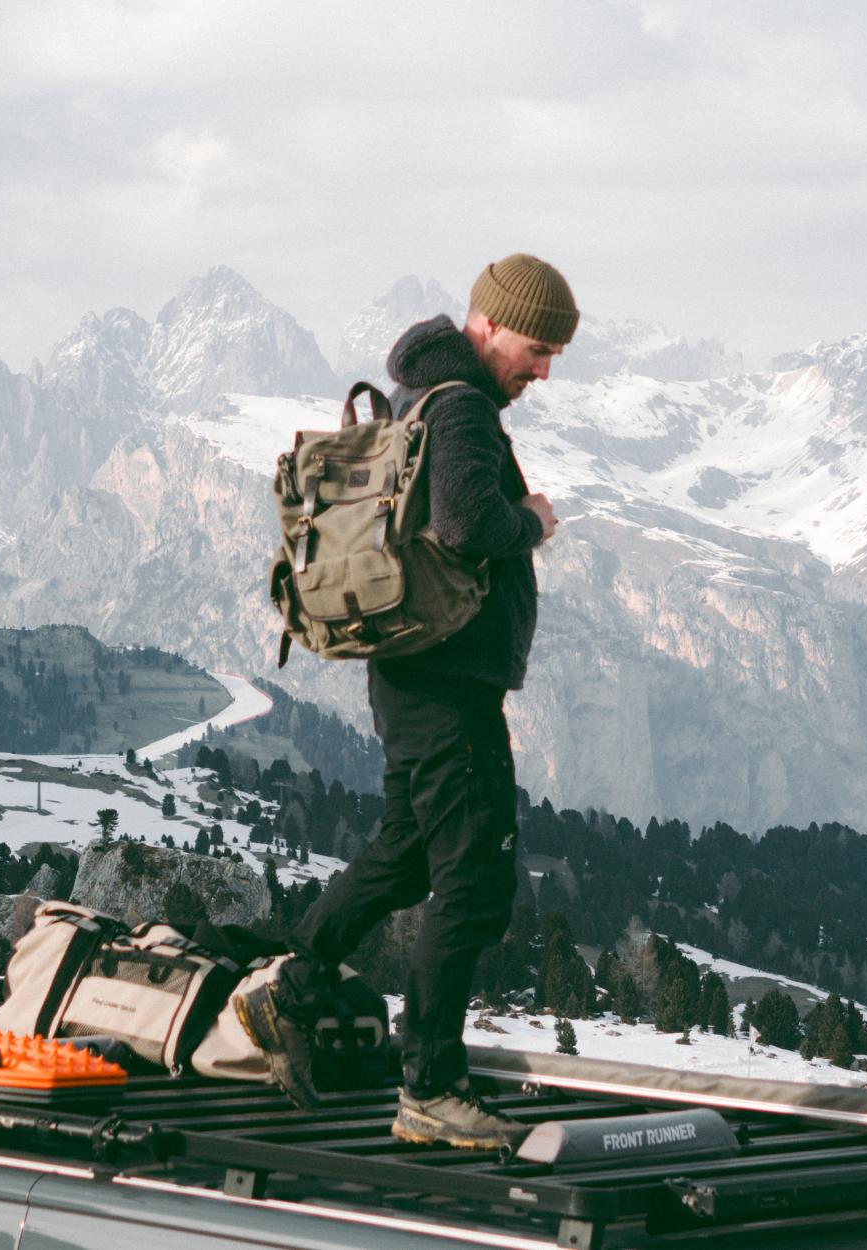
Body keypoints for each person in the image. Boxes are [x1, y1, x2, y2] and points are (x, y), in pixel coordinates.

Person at [237, 253, 577, 1148]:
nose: (543, 371)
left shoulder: (422, 394)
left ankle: (287, 990)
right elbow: (469, 524)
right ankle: (431, 1087)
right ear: (489, 324)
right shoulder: (461, 408)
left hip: (409, 673)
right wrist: (534, 523)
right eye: (536, 349)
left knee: (407, 854)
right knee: (474, 882)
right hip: (447, 685)